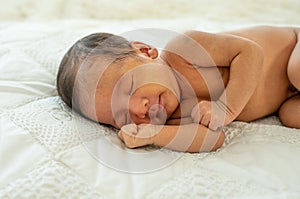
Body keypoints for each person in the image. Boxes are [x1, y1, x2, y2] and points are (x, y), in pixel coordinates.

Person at [56, 25, 300, 153]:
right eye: (120, 116)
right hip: (287, 97)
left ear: (145, 51)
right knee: (292, 116)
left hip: (293, 45)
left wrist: (226, 107)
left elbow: (250, 52)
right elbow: (214, 138)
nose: (138, 109)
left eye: (129, 87)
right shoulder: (170, 118)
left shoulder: (184, 51)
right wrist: (154, 135)